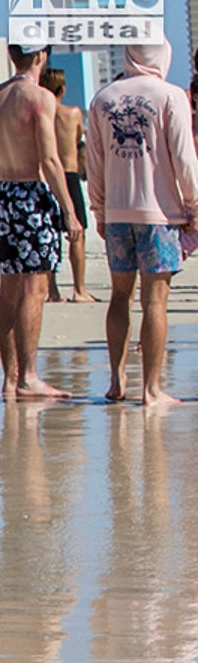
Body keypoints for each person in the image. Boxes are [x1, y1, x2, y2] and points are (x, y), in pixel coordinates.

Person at [88, 39, 198, 406]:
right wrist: (194, 204)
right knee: (155, 299)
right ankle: (151, 388)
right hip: (160, 213)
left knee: (120, 296)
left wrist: (99, 210)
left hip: (117, 212)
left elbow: (95, 161)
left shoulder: (102, 98)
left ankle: (117, 379)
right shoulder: (170, 95)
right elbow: (183, 157)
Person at [0, 43, 77, 399]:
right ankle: (29, 377)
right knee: (34, 290)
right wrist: (68, 210)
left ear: (11, 54)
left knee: (9, 290)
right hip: (32, 193)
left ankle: (10, 377)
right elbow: (50, 160)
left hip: (6, 192)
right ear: (41, 56)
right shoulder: (40, 98)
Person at [41, 67, 96, 303]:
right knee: (77, 233)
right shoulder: (72, 113)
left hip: (46, 176)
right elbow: (77, 141)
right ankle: (79, 288)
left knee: (50, 234)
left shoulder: (39, 113)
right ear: (63, 89)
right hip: (70, 174)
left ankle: (52, 289)